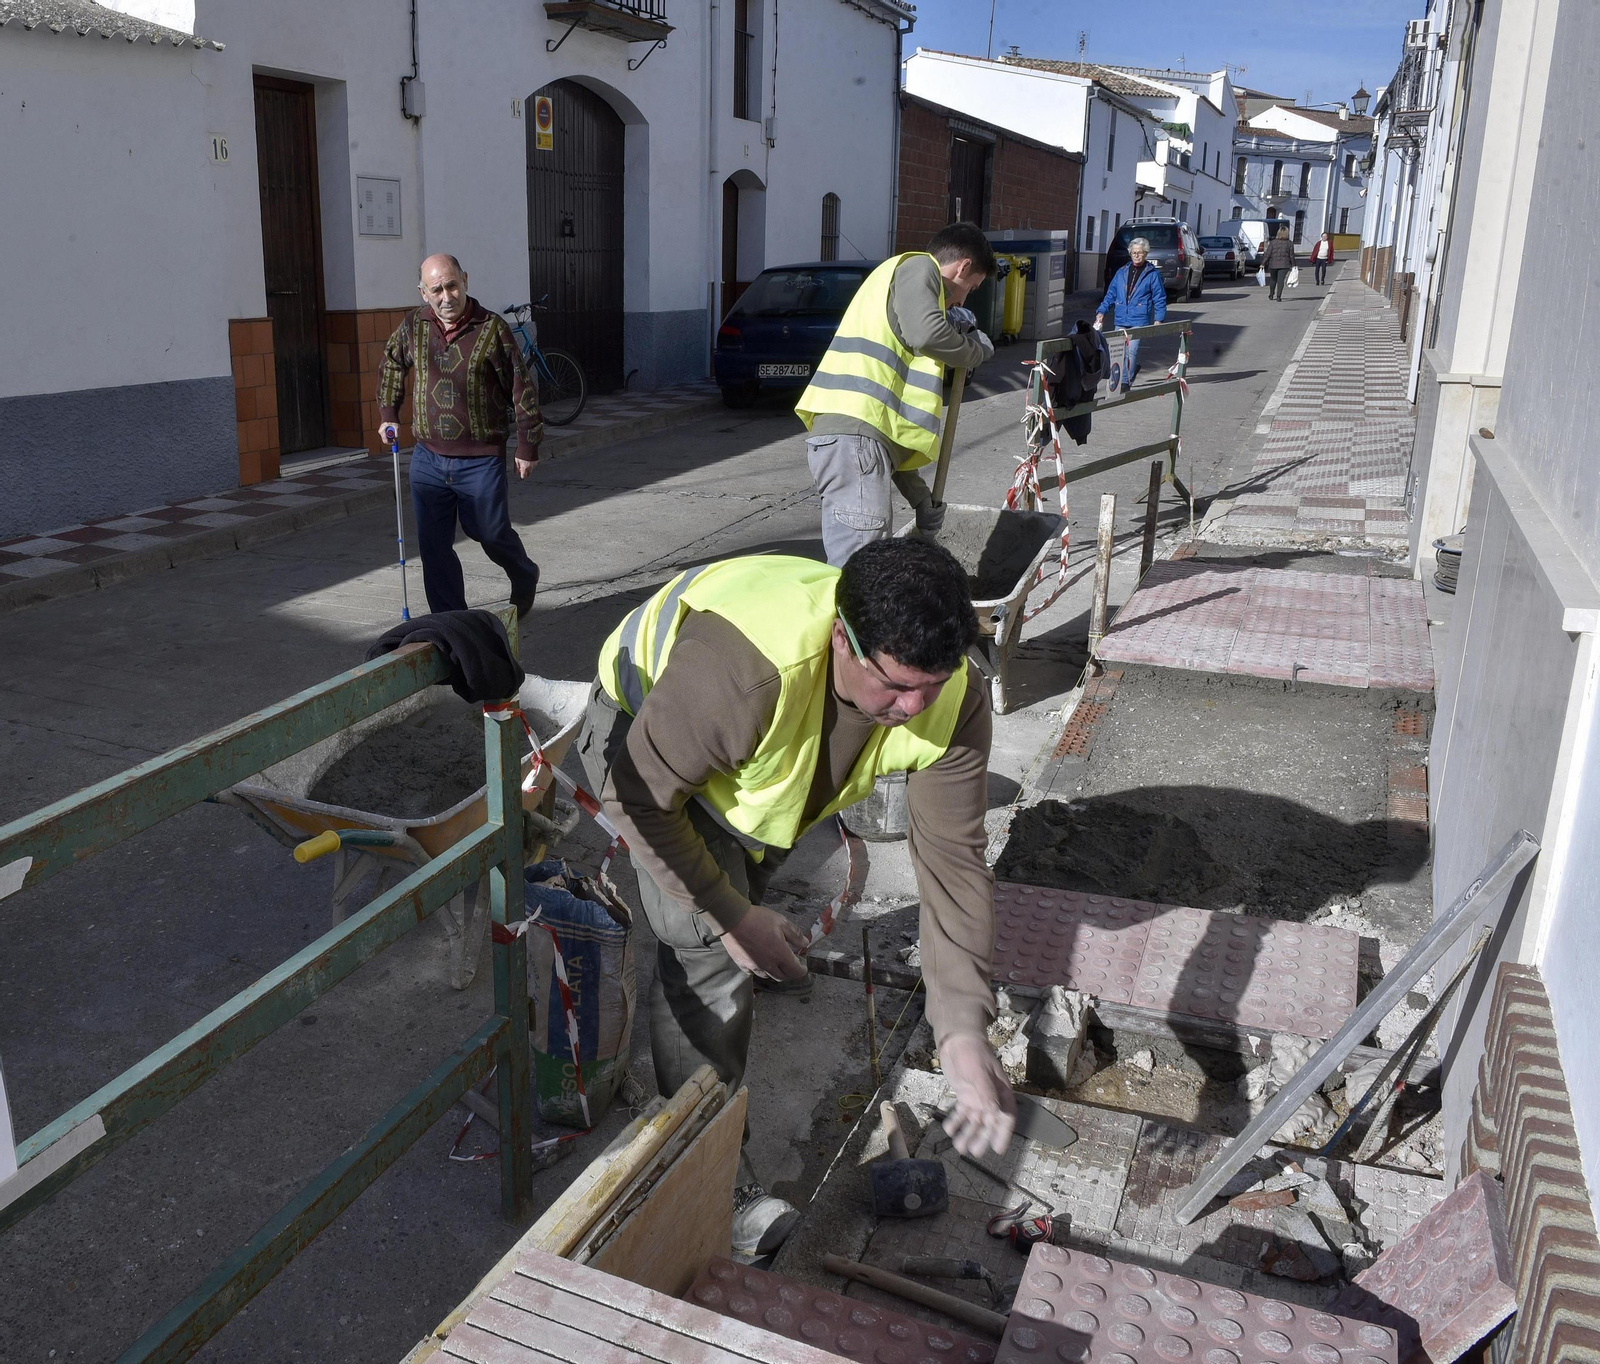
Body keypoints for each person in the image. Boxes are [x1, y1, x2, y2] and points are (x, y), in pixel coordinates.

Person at [575, 538, 1016, 1257]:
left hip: (751, 746)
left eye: (930, 686)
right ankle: (709, 1180)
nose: (913, 708)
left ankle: (740, 939)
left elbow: (956, 866)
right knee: (702, 947)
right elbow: (640, 799)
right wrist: (731, 918)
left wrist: (962, 1026)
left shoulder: (950, 695)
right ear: (843, 638)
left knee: (747, 869)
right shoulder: (744, 672)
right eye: (897, 686)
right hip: (645, 732)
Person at [796, 223, 997, 566]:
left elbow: (885, 439)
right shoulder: (919, 267)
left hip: (855, 441)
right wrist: (975, 350)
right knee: (861, 572)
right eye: (971, 287)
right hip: (852, 439)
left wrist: (921, 500)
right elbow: (927, 335)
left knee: (862, 568)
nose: (963, 300)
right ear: (963, 266)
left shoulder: (904, 292)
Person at [377, 254, 544, 617]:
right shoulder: (413, 326)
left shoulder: (492, 329)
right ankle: (453, 622)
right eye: (436, 289)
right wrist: (388, 413)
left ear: (465, 280)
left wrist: (527, 444)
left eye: (452, 285)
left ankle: (523, 572)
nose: (446, 296)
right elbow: (392, 361)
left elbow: (521, 386)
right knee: (434, 547)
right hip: (427, 458)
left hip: (480, 457)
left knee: (489, 531)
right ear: (423, 292)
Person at [1094, 236, 1168, 394]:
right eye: (1134, 252)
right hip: (1121, 317)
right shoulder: (1121, 272)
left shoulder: (1152, 274)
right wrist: (1101, 311)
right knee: (1118, 351)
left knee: (1132, 351)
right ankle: (1123, 376)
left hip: (1139, 318)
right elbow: (1111, 294)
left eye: (1140, 253)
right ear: (1130, 253)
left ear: (1146, 254)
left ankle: (1126, 382)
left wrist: (1158, 319)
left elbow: (1159, 297)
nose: (1137, 255)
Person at [1261, 226, 1297, 302]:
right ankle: (1278, 296)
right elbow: (1291, 255)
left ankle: (1271, 294)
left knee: (1273, 279)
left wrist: (1263, 263)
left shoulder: (1273, 242)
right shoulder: (1290, 243)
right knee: (1281, 280)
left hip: (1273, 264)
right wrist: (1294, 265)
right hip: (1284, 265)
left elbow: (1268, 254)